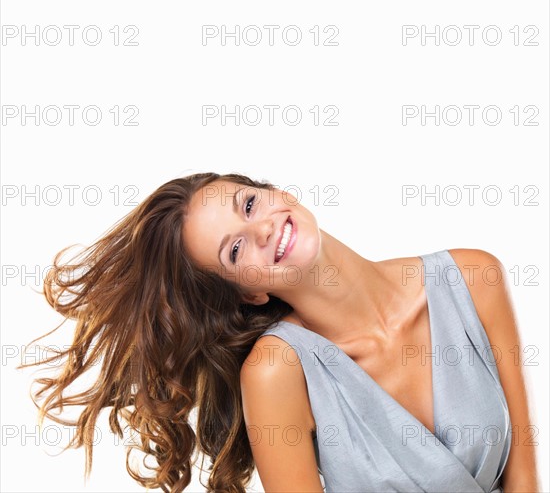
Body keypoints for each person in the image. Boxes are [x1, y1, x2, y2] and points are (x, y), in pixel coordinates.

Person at [19, 172, 540, 492]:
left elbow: (524, 475)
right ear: (247, 293)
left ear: (277, 193)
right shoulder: (277, 373)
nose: (261, 228)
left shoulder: (474, 277)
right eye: (235, 250)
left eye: (249, 204)